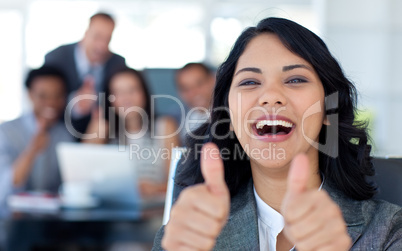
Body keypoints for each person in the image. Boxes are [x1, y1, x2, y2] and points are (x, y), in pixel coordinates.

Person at [152, 17, 402, 250]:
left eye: (295, 79)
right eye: (249, 82)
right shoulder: (185, 237)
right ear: (226, 115)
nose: (271, 96)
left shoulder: (390, 230)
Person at [85, 67, 180, 197]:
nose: (126, 98)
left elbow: (177, 182)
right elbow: (83, 177)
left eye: (132, 90)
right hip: (113, 209)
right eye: (118, 92)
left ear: (144, 93)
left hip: (154, 209)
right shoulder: (104, 128)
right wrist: (98, 126)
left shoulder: (164, 126)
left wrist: (155, 188)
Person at [0, 66, 73, 206]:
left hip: (52, 220)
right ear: (29, 95)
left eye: (58, 96)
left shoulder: (64, 134)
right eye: (43, 96)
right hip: (12, 219)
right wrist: (33, 150)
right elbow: (4, 190)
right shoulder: (6, 132)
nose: (51, 103)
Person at [44, 12, 126, 136]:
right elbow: (44, 102)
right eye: (97, 37)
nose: (102, 46)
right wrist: (74, 105)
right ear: (85, 34)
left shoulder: (117, 63)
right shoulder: (56, 59)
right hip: (60, 131)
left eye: (107, 39)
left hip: (103, 134)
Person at [172, 63, 215, 144]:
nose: (194, 92)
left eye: (199, 84)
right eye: (186, 89)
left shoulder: (232, 113)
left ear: (213, 80)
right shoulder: (174, 120)